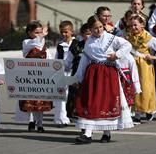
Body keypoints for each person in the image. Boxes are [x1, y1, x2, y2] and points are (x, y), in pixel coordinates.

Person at [74, 16, 134, 144]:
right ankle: (88, 134)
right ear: (90, 29)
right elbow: (85, 60)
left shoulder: (111, 38)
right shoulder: (89, 41)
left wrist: (116, 55)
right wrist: (79, 76)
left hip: (108, 73)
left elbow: (127, 45)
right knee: (91, 101)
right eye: (95, 28)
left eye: (100, 27)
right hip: (93, 75)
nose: (98, 30)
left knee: (107, 101)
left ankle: (107, 133)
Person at [126, 14, 156, 123]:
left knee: (145, 87)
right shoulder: (127, 36)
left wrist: (155, 56)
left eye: (135, 25)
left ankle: (148, 109)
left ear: (142, 25)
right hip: (131, 64)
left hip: (144, 65)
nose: (133, 28)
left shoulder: (147, 37)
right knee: (132, 87)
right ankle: (137, 114)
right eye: (131, 26)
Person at [16, 21, 52, 132]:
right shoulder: (26, 42)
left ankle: (40, 124)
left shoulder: (43, 42)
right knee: (30, 100)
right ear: (29, 32)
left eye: (40, 32)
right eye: (36, 32)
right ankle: (31, 121)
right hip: (29, 75)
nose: (39, 34)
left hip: (41, 75)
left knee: (41, 101)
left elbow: (49, 58)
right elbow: (35, 44)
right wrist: (42, 36)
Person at [64, 22, 91, 118]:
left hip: (91, 75)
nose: (89, 36)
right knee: (74, 94)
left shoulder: (98, 47)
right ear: (82, 35)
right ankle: (71, 113)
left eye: (91, 33)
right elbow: (68, 62)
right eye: (87, 34)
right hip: (76, 74)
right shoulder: (76, 46)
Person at [54, 20, 76, 127]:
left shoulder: (77, 43)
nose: (64, 34)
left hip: (74, 72)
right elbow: (56, 60)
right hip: (63, 73)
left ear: (71, 31)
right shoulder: (60, 46)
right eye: (62, 32)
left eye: (66, 32)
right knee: (62, 95)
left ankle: (74, 115)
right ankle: (61, 118)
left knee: (74, 95)